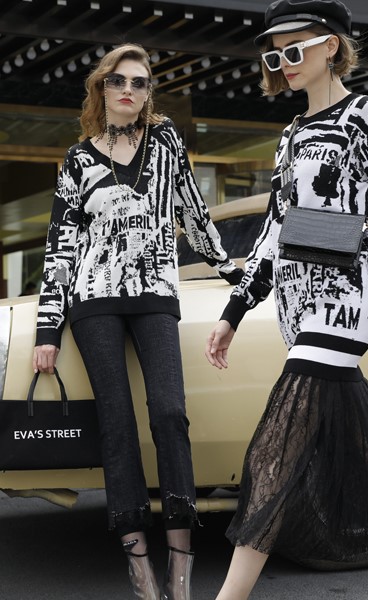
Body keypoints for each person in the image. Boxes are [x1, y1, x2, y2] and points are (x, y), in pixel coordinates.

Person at [205, 1, 368, 599]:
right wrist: (234, 311)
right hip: (295, 306)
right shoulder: (290, 135)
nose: (284, 63)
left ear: (331, 46)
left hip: (344, 302)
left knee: (275, 450)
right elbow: (274, 232)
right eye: (275, 55)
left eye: (294, 50)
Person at [33, 43, 243, 600]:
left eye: (140, 82)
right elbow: (60, 250)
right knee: (118, 424)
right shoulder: (78, 160)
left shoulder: (166, 143)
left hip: (154, 295)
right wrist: (47, 330)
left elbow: (193, 214)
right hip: (93, 301)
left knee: (170, 413)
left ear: (149, 92)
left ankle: (181, 560)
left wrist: (232, 272)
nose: (129, 89)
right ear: (102, 88)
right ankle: (139, 563)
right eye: (118, 80)